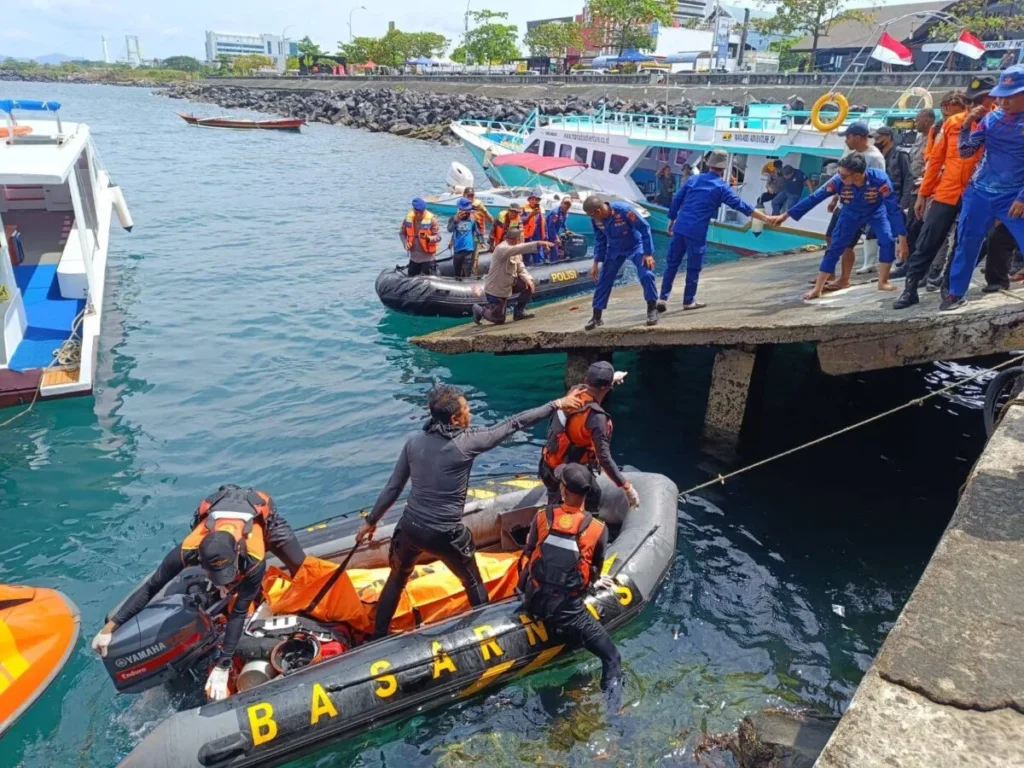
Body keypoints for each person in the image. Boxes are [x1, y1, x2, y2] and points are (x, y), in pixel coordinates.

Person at [356, 385, 584, 639]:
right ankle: (485, 634)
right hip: (445, 534)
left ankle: (378, 635)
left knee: (397, 579)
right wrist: (557, 404)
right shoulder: (466, 443)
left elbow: (394, 486)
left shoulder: (414, 442)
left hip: (410, 528)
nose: (470, 412)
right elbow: (514, 423)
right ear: (454, 419)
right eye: (466, 409)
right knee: (473, 583)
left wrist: (371, 521)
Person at [90, 486, 306, 701]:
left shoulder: (253, 555)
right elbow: (151, 586)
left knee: (302, 571)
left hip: (262, 518)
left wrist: (223, 665)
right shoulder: (188, 549)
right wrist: (110, 628)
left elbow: (239, 612)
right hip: (218, 521)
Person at [518, 463, 621, 703]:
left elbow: (528, 554)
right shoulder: (598, 529)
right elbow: (593, 569)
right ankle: (615, 713)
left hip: (534, 601)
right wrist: (595, 584)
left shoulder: (542, 516)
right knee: (612, 659)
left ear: (563, 490)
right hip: (568, 613)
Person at [769, 152, 908, 300]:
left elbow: (893, 209)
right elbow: (814, 198)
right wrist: (785, 215)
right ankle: (818, 287)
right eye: (839, 173)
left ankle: (883, 282)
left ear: (856, 175)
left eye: (843, 175)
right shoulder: (837, 182)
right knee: (835, 246)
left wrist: (902, 239)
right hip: (850, 212)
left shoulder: (880, 180)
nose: (839, 176)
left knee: (887, 240)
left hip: (876, 211)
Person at [892, 88, 984, 309]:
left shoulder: (995, 125)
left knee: (965, 244)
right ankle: (910, 289)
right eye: (973, 100)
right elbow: (935, 160)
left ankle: (949, 287)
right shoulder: (952, 124)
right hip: (947, 191)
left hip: (977, 194)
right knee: (927, 241)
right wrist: (923, 194)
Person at [943, 65, 1024, 311]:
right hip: (979, 193)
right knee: (967, 241)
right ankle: (955, 293)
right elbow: (966, 151)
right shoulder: (991, 119)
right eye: (1001, 96)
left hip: (1014, 197)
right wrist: (967, 124)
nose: (1003, 101)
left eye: (1010, 96)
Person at [659, 149, 773, 312]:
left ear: (709, 165)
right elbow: (741, 206)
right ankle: (688, 301)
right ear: (724, 169)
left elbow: (677, 199)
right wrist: (766, 218)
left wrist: (671, 219)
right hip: (697, 231)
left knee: (672, 264)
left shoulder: (693, 180)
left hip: (680, 226)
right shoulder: (722, 187)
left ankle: (662, 298)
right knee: (693, 267)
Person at [539, 360, 638, 513]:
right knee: (593, 493)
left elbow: (592, 387)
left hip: (547, 466)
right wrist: (627, 488)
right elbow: (604, 458)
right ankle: (588, 528)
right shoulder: (597, 419)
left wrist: (612, 379)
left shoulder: (575, 391)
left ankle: (550, 517)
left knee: (555, 502)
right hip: (564, 473)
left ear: (586, 380)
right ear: (608, 388)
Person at [582, 196, 659, 330]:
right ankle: (596, 316)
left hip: (635, 246)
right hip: (615, 249)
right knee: (604, 279)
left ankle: (652, 309)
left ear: (599, 210)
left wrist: (648, 254)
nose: (592, 218)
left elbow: (644, 228)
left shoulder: (624, 211)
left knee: (646, 274)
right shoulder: (596, 221)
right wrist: (596, 262)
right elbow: (600, 240)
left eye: (592, 214)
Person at [835, 123, 887, 278]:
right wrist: (835, 198)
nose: (846, 140)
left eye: (848, 137)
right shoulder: (852, 154)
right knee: (832, 237)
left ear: (857, 137)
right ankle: (830, 274)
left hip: (858, 208)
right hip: (844, 204)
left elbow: (878, 185)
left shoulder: (875, 158)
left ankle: (844, 279)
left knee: (847, 244)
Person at [472, 228, 552, 324]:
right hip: (496, 289)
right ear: (516, 239)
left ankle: (519, 312)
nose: (522, 241)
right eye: (520, 239)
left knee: (527, 285)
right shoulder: (501, 249)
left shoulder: (515, 250)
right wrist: (538, 243)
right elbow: (517, 249)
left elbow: (520, 267)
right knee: (499, 319)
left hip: (509, 283)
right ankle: (479, 310)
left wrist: (528, 279)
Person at [399, 198, 441, 277]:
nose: (418, 215)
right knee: (411, 281)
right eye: (416, 212)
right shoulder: (408, 218)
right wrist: (405, 243)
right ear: (413, 210)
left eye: (420, 213)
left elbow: (438, 237)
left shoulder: (432, 219)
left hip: (428, 259)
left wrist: (428, 238)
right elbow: (401, 233)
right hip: (414, 259)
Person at [448, 198, 484, 279]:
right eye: (463, 210)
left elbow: (478, 232)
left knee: (468, 272)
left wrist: (481, 242)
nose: (465, 213)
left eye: (467, 210)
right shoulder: (453, 219)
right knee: (457, 273)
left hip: (469, 250)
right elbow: (450, 230)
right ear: (459, 209)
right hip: (457, 250)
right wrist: (455, 221)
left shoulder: (473, 219)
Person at [463, 187, 493, 277]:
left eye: (472, 195)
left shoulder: (479, 205)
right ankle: (464, 274)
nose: (470, 198)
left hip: (476, 235)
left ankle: (472, 275)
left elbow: (491, 220)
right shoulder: (462, 205)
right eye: (468, 195)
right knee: (464, 257)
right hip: (465, 235)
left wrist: (483, 210)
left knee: (474, 258)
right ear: (464, 195)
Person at [521, 190, 547, 265]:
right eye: (532, 199)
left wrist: (545, 236)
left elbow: (544, 224)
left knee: (539, 257)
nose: (534, 201)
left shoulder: (542, 209)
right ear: (529, 200)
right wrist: (531, 215)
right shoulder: (524, 208)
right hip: (527, 238)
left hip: (538, 237)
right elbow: (520, 220)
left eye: (537, 199)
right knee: (526, 257)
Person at [544, 197, 574, 262]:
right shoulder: (555, 213)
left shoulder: (565, 213)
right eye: (565, 203)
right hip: (548, 232)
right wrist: (556, 238)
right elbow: (551, 227)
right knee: (554, 248)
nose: (567, 206)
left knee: (555, 248)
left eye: (568, 204)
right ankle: (553, 263)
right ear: (561, 203)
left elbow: (563, 223)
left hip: (554, 231)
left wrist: (566, 229)